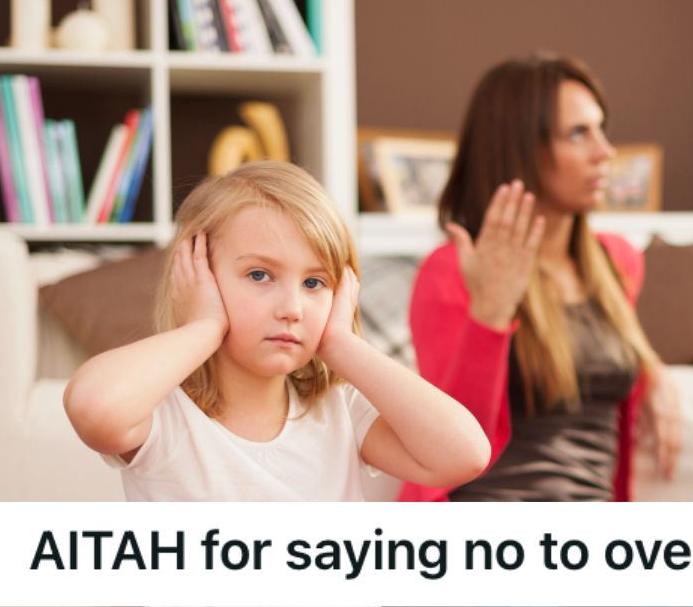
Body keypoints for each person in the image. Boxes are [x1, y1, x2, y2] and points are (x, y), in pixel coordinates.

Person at [63, 161, 489, 501]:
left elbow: (465, 455)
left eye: (313, 283)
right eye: (260, 275)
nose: (291, 309)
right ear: (197, 276)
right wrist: (204, 326)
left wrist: (340, 343)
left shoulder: (341, 409)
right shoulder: (164, 417)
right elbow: (94, 407)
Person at [398, 55, 682, 502]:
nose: (604, 152)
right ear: (520, 149)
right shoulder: (450, 271)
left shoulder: (618, 261)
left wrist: (654, 371)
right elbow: (449, 442)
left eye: (601, 129)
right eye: (578, 134)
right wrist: (491, 309)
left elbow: (601, 358)